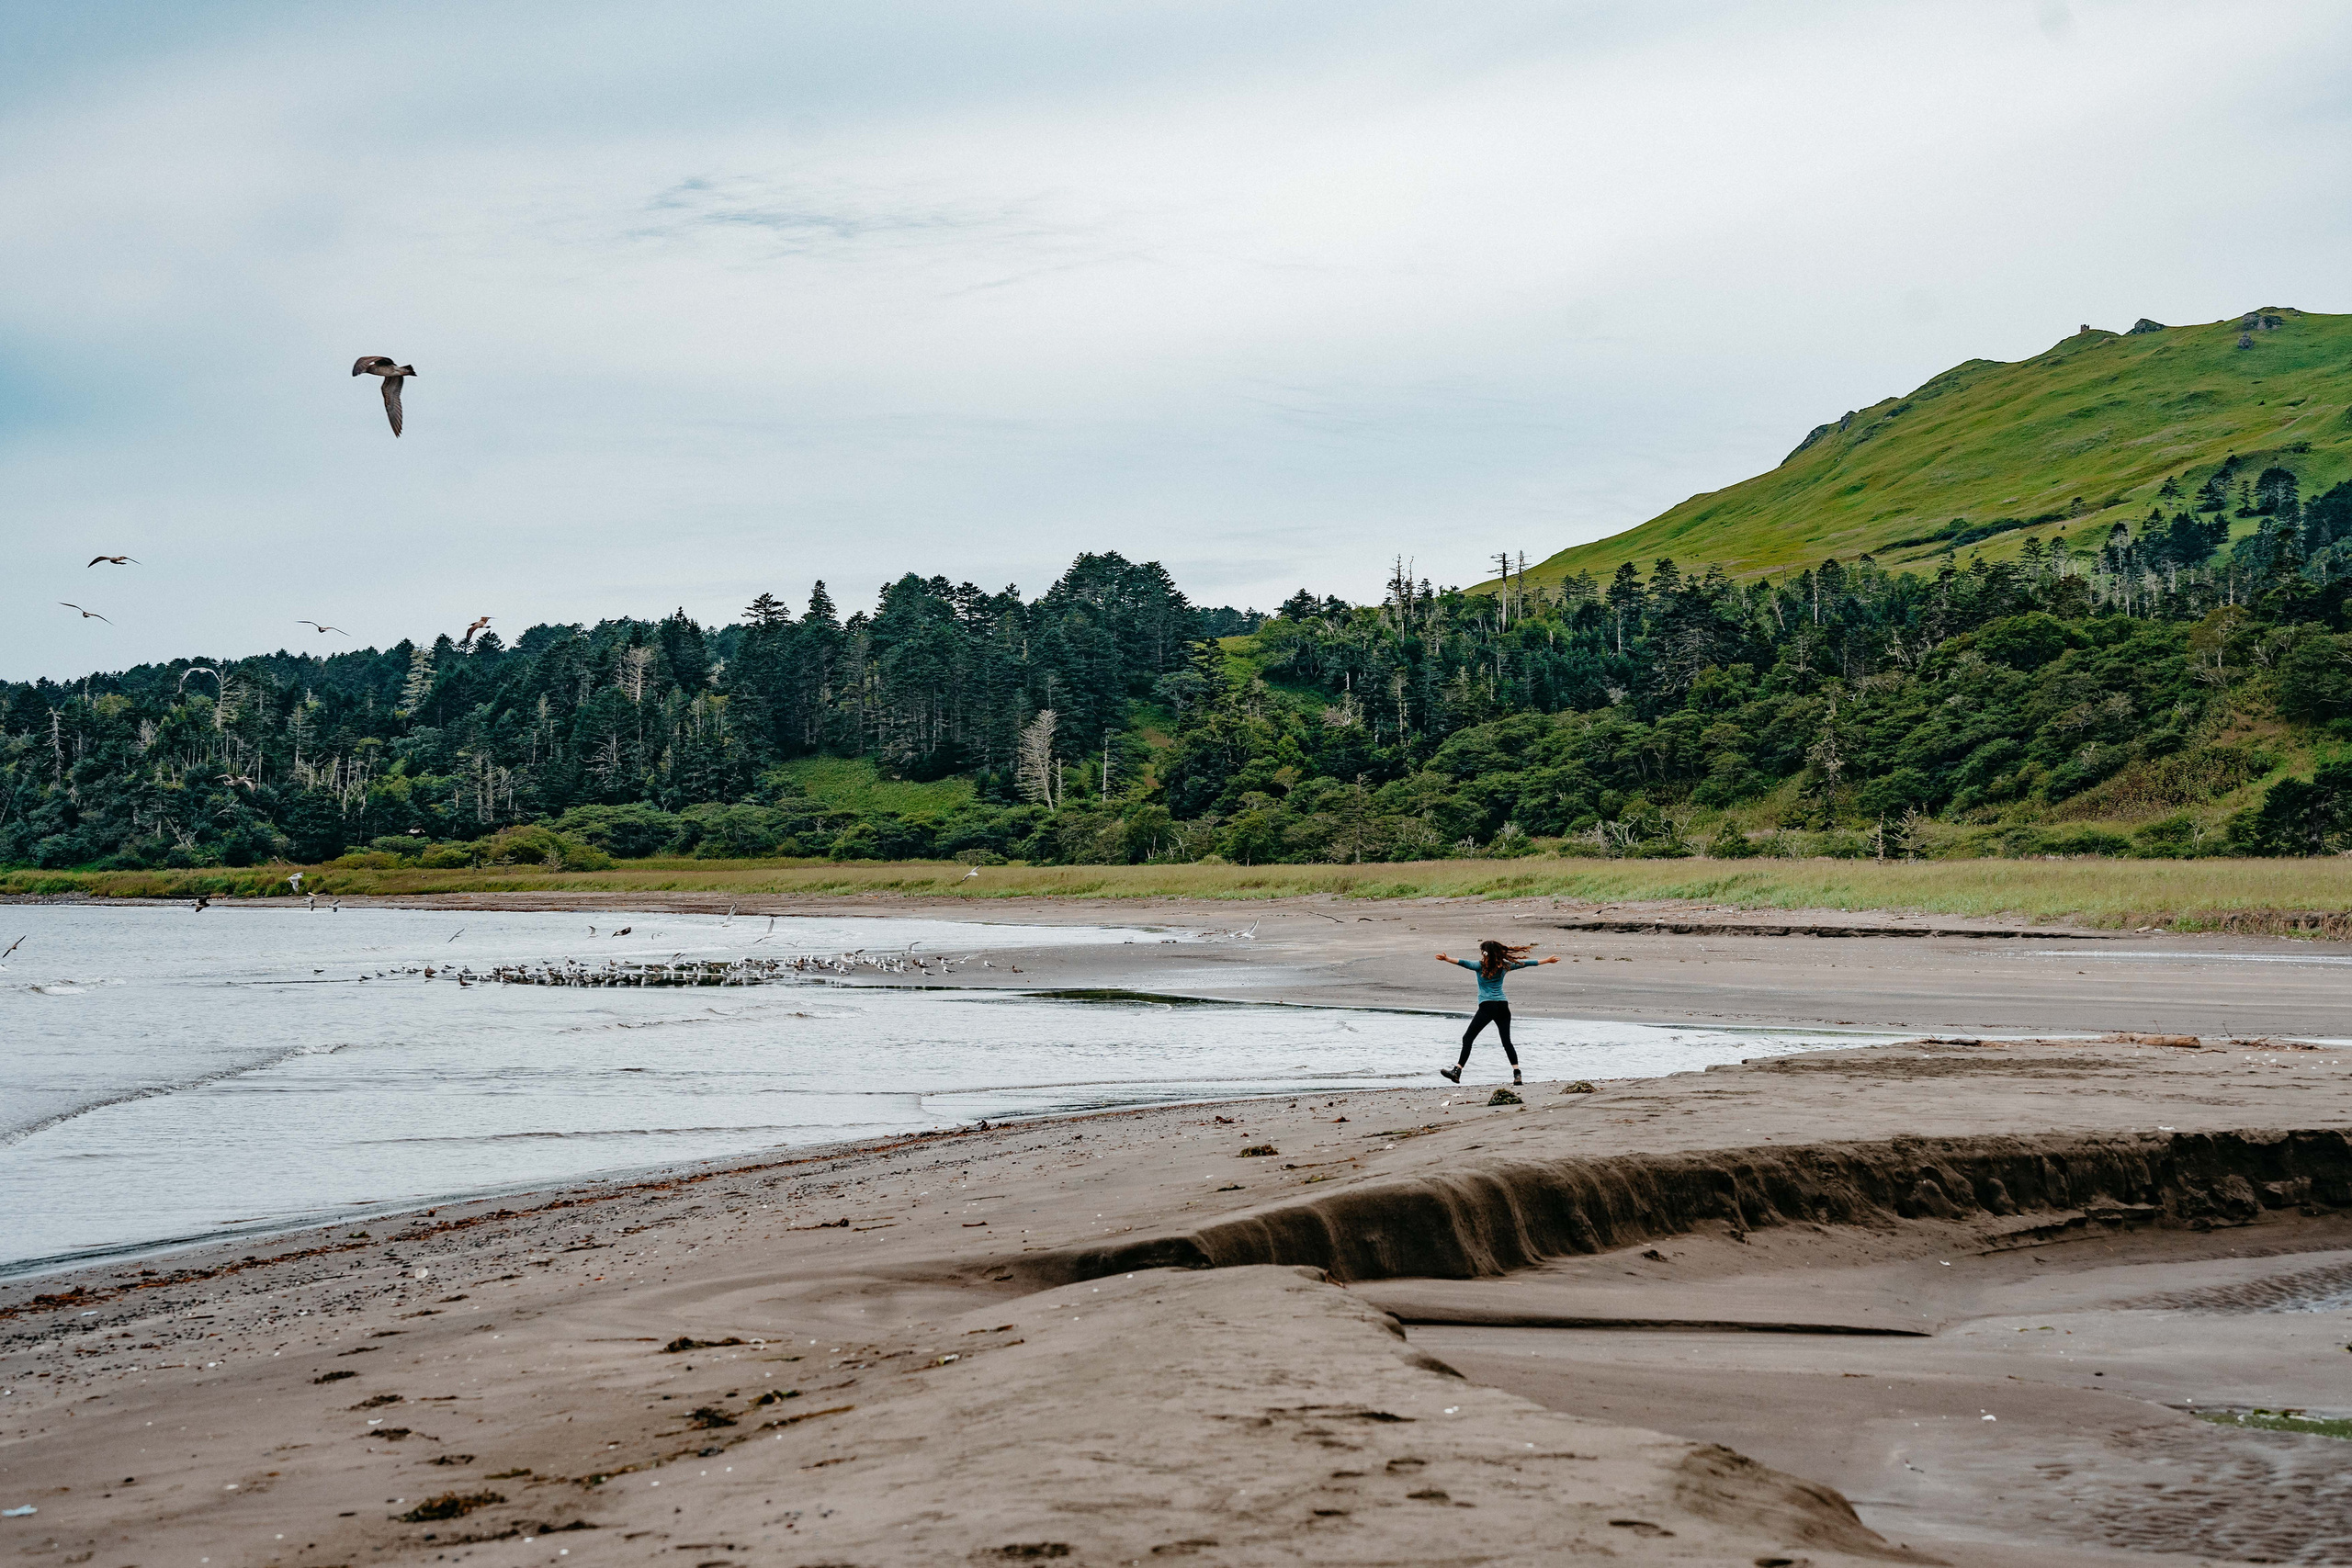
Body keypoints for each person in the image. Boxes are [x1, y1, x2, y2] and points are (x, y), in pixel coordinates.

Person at [1433, 940, 1558, 1086]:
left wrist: (1447, 959)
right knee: (1507, 1042)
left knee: (1468, 1038)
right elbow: (1527, 963)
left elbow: (1463, 962)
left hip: (1488, 1006)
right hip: (1503, 1006)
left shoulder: (1479, 966)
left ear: (1485, 953)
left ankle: (1457, 1071)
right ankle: (1517, 1074)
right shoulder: (1505, 965)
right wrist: (1547, 960)